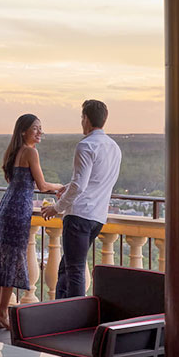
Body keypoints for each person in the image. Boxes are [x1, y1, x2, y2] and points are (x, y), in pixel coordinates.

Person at [0, 115, 63, 330]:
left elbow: (15, 182)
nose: (39, 133)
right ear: (23, 131)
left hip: (7, 207)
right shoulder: (30, 152)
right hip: (18, 209)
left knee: (5, 256)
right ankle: (1, 311)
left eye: (41, 129)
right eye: (35, 129)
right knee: (13, 259)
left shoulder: (13, 152)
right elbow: (42, 184)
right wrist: (62, 187)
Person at [41, 99, 122, 298]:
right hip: (98, 217)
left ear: (86, 119)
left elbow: (80, 185)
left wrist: (56, 208)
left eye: (82, 118)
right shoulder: (114, 148)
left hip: (79, 216)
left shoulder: (85, 146)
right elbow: (95, 181)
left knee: (75, 269)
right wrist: (68, 188)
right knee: (66, 267)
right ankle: (60, 308)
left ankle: (75, 318)